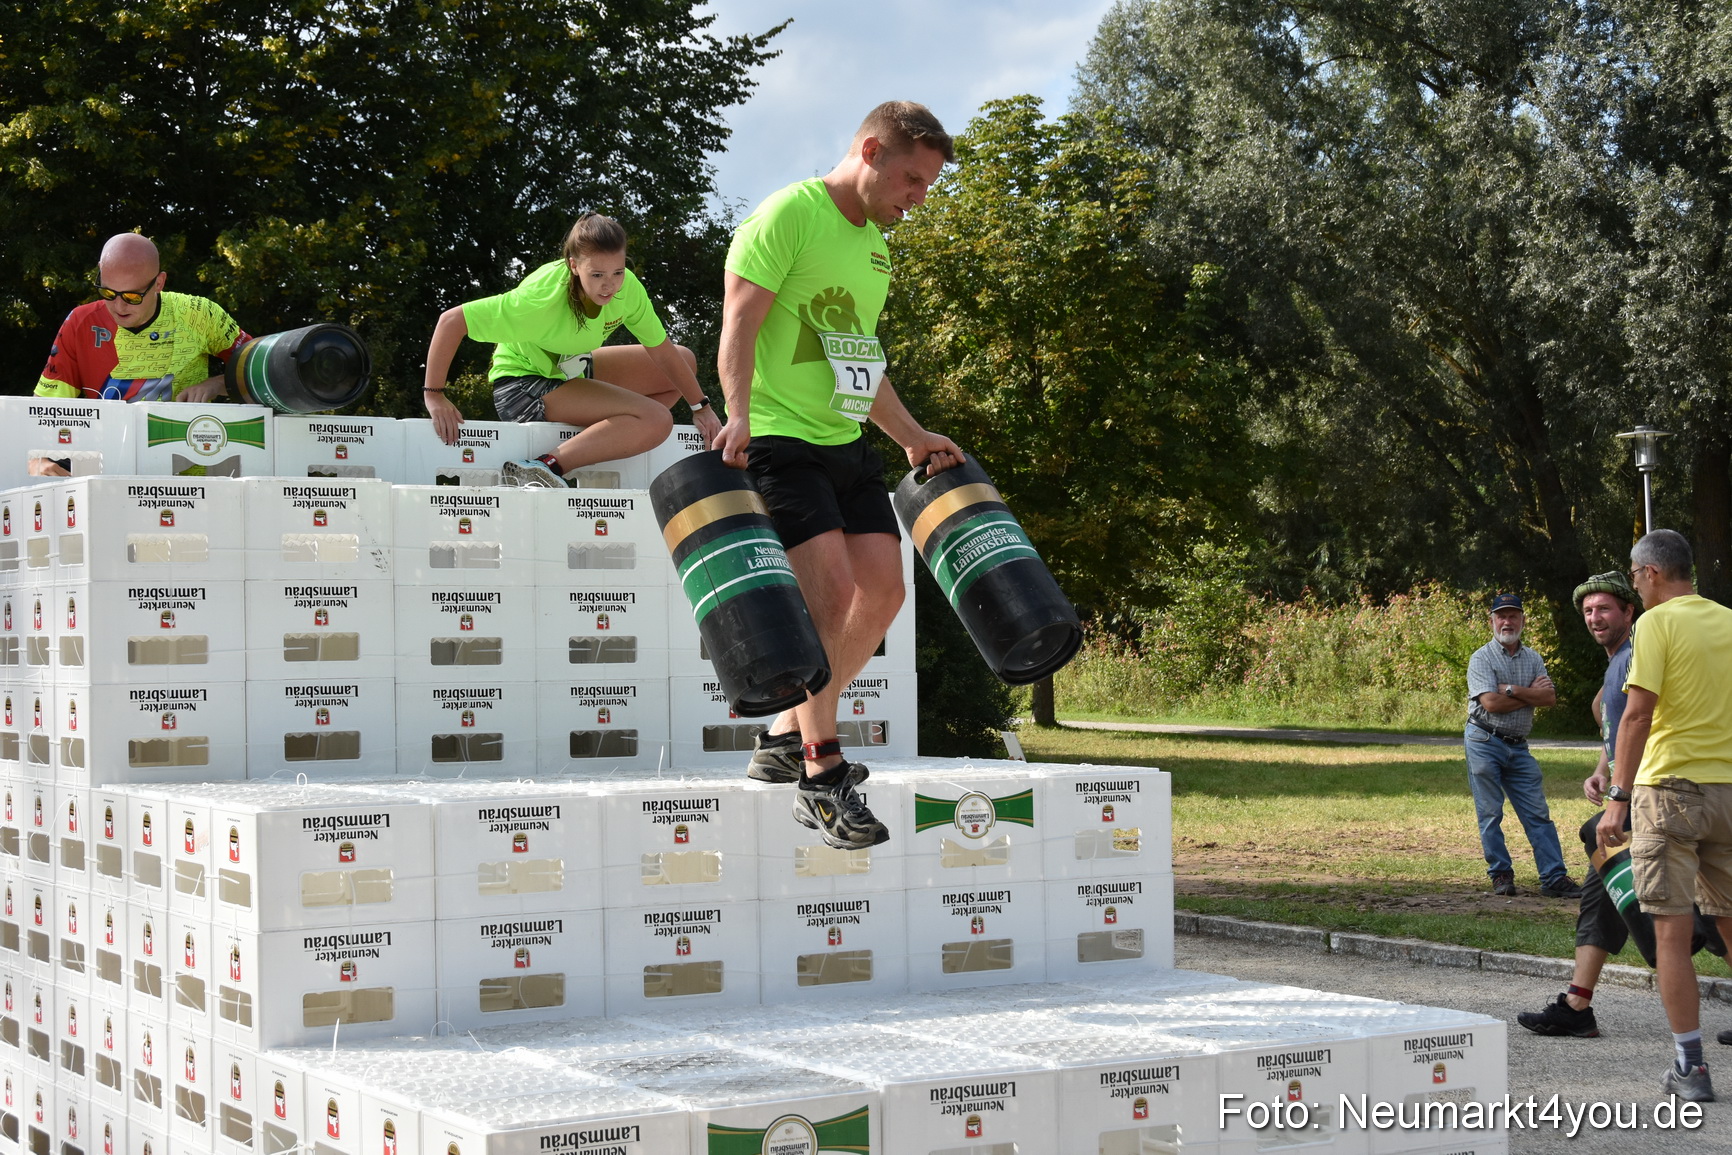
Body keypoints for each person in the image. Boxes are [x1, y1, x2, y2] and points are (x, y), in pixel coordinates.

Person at [716, 101, 962, 849]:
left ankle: (787, 732)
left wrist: (914, 436)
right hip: (781, 438)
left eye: (927, 186)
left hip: (846, 439)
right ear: (870, 152)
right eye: (912, 180)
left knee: (883, 591)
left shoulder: (878, 252)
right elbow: (738, 319)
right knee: (827, 596)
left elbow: (862, 360)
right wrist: (736, 411)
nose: (917, 199)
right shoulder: (789, 213)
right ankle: (820, 774)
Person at [1517, 570, 1729, 1039]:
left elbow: (1645, 719)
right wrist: (1602, 767)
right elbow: (1613, 724)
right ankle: (1577, 1003)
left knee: (1699, 913)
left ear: (1629, 611)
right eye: (1588, 611)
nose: (1595, 618)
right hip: (1644, 787)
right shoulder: (1617, 663)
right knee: (1601, 890)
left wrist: (1620, 791)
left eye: (1605, 609)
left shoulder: (1641, 650)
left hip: (1658, 793)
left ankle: (1684, 936)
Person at [421, 213, 721, 486]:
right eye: (597, 275)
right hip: (522, 384)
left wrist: (702, 408)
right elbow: (451, 321)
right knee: (657, 420)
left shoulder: (627, 288)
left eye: (618, 272)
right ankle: (542, 467)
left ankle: (614, 431)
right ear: (574, 266)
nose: (610, 286)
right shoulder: (539, 300)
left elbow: (662, 351)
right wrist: (434, 395)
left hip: (572, 366)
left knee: (683, 360)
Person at [1597, 530, 1732, 1102]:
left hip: (1668, 789)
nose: (1633, 583)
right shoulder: (1728, 620)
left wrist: (1618, 797)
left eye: (1632, 574)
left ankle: (1691, 1068)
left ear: (1652, 573)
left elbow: (1637, 715)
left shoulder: (1654, 624)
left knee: (1672, 934)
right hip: (1728, 790)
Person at [31, 233, 250, 471]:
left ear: (159, 282)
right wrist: (38, 460)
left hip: (185, 481)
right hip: (107, 473)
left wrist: (216, 384)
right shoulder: (80, 322)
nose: (119, 306)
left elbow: (261, 367)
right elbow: (45, 410)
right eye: (108, 293)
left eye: (132, 296)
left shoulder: (198, 313)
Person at [1464, 592, 1581, 898]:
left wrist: (1512, 690)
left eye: (1513, 615)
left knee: (1538, 813)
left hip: (1518, 746)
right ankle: (1501, 874)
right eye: (1501, 616)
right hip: (1484, 740)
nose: (1507, 621)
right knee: (1490, 812)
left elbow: (1550, 698)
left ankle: (1554, 878)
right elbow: (1490, 703)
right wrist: (1529, 693)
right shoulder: (1481, 658)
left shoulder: (1533, 658)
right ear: (1491, 621)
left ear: (1522, 620)